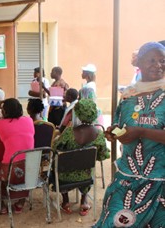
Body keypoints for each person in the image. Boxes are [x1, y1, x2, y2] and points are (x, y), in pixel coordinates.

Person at [94, 42, 165, 227]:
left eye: (162, 60)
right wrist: (113, 132)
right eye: (152, 60)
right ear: (138, 64)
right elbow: (119, 123)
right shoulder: (128, 96)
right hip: (127, 178)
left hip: (160, 180)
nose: (158, 65)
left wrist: (141, 131)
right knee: (113, 223)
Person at [53, 99, 109, 216]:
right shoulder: (99, 134)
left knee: (57, 164)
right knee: (88, 166)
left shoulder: (69, 131)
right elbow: (103, 155)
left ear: (77, 113)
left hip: (66, 176)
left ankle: (66, 202)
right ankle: (84, 202)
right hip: (86, 176)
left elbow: (55, 148)